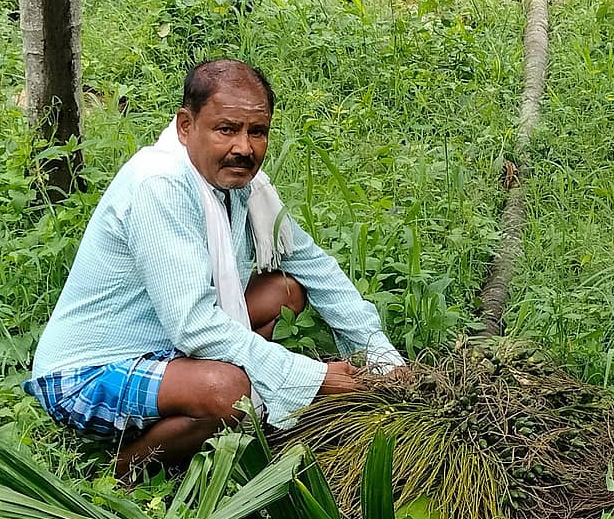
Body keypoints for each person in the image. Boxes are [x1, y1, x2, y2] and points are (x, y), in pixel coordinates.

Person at [24, 59, 404, 479]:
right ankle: (125, 474)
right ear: (186, 126)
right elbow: (194, 325)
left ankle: (196, 409)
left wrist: (384, 359)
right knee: (229, 392)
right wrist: (311, 377)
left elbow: (314, 266)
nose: (244, 147)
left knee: (285, 290)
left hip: (166, 344)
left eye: (256, 132)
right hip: (87, 371)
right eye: (226, 129)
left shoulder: (240, 186)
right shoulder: (160, 185)